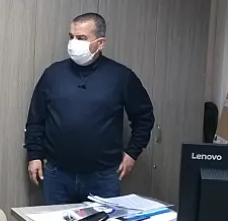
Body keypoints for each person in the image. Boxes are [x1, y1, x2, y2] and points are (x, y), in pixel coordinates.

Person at [24, 13, 154, 205]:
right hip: (57, 175)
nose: (73, 43)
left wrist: (132, 152)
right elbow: (36, 118)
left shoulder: (121, 76)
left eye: (81, 38)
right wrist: (34, 155)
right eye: (71, 36)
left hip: (103, 177)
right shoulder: (53, 74)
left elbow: (144, 117)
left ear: (100, 43)